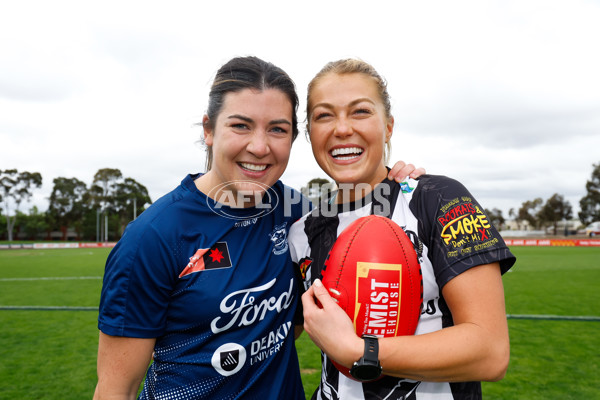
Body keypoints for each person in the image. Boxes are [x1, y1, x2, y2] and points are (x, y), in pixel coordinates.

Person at [93, 56, 423, 400]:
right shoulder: (153, 237)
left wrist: (403, 185)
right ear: (209, 130)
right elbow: (116, 390)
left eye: (277, 129)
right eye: (241, 126)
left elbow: (300, 321)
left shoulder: (300, 216)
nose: (260, 147)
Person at [289, 59, 516, 400]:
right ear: (310, 134)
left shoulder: (440, 199)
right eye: (323, 115)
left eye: (360, 111)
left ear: (389, 126)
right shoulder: (302, 231)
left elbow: (490, 351)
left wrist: (360, 351)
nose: (342, 128)